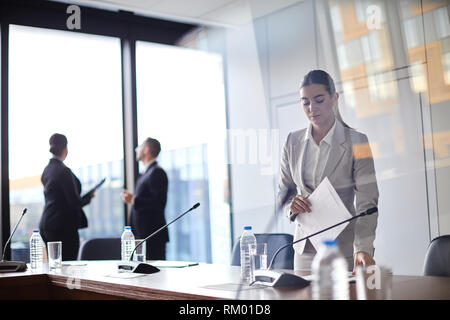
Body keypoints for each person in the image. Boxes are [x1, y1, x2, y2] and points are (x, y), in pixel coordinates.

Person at [278, 70, 379, 273]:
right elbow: (283, 192)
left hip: (342, 248)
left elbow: (367, 202)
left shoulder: (357, 141)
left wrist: (363, 248)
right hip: (304, 249)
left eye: (319, 100)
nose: (312, 108)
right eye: (305, 102)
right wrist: (292, 204)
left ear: (334, 98)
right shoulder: (292, 142)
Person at [39, 133, 95, 261]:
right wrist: (88, 197)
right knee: (68, 266)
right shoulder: (64, 171)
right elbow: (74, 202)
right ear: (65, 148)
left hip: (47, 224)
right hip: (63, 227)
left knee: (54, 265)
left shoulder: (47, 170)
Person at [121, 137, 169, 260]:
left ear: (146, 150)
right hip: (143, 235)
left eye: (140, 146)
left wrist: (133, 199)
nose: (136, 149)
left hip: (152, 236)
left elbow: (158, 204)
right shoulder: (146, 173)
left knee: (154, 276)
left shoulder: (157, 173)